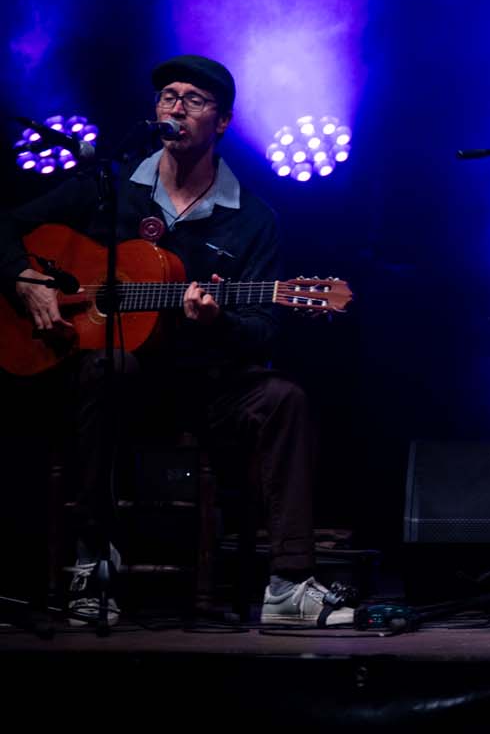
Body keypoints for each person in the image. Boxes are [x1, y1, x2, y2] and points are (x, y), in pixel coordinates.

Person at [0, 55, 352, 626]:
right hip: (120, 385)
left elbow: (263, 327)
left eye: (194, 98)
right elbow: (7, 225)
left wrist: (218, 321)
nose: (177, 106)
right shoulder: (110, 188)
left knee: (284, 399)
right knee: (108, 365)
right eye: (168, 95)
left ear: (222, 122)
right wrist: (25, 277)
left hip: (203, 385)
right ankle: (96, 563)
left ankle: (288, 583)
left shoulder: (252, 219)